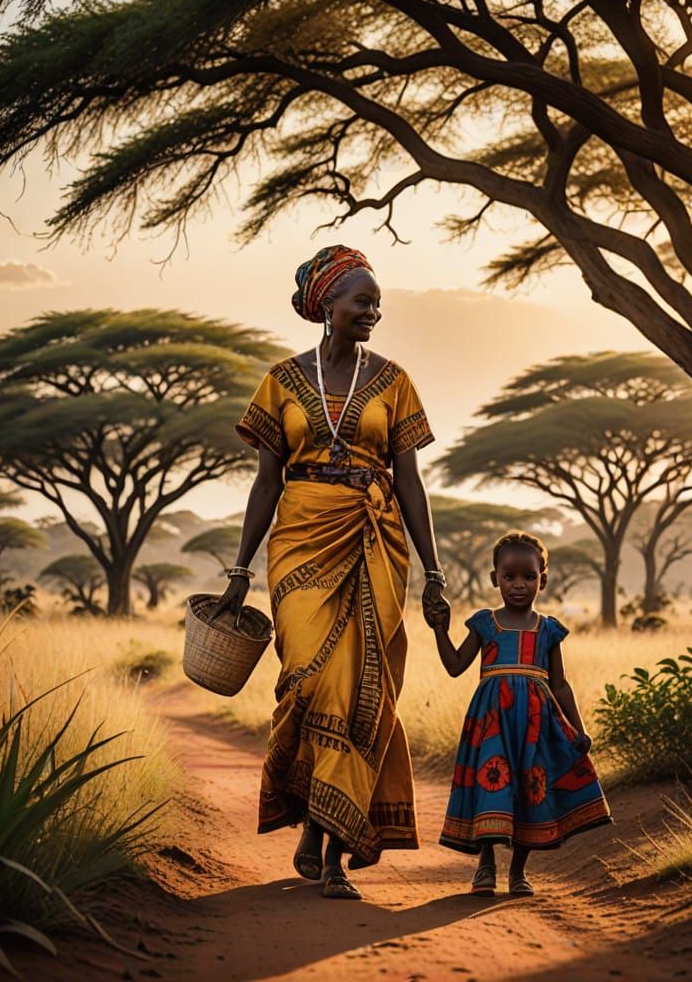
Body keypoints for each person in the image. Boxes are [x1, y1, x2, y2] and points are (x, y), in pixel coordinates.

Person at [214, 244, 450, 900]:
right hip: (300, 538)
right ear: (327, 306)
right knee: (310, 680)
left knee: (361, 692)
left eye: (377, 303)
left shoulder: (394, 380)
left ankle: (331, 844)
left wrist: (433, 572)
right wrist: (238, 567)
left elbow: (410, 480)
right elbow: (265, 482)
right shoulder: (283, 380)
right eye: (362, 301)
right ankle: (314, 824)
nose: (374, 311)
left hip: (376, 540)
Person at [429, 531, 612, 896]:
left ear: (542, 580)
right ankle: (485, 865)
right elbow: (454, 666)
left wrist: (579, 729)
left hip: (535, 726)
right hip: (492, 722)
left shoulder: (549, 630)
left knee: (531, 792)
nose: (518, 585)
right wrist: (439, 629)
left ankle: (518, 872)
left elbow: (560, 686)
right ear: (494, 578)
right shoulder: (484, 624)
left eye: (528, 577)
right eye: (509, 576)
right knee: (491, 787)